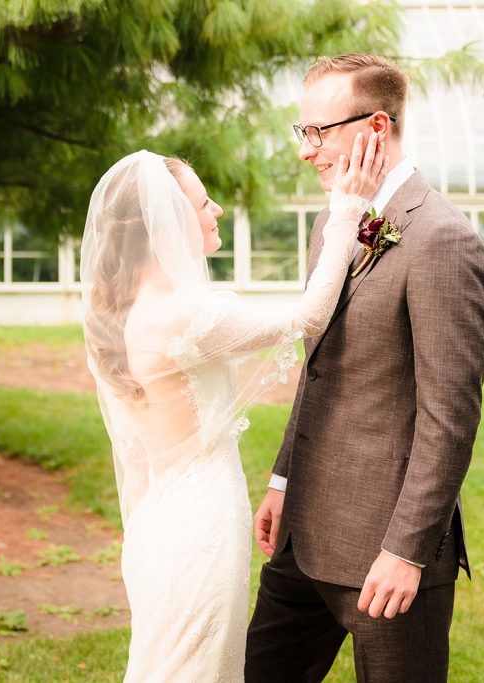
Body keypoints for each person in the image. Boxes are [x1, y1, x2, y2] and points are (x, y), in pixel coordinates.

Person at [79, 141, 388, 682]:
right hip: (199, 525)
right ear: (166, 225)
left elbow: (134, 449)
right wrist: (346, 210)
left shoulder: (122, 313)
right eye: (204, 203)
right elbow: (311, 315)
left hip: (158, 523)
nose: (216, 210)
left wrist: (140, 521)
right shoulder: (184, 314)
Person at [245, 53, 484, 682]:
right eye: (304, 133)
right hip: (301, 538)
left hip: (385, 558)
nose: (307, 151)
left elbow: (450, 418)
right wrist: (281, 480)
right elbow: (318, 367)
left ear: (376, 128)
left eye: (319, 132)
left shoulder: (444, 239)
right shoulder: (332, 224)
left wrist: (406, 551)